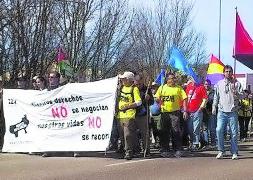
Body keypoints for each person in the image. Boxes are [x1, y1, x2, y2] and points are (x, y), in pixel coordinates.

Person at [212, 65, 243, 160]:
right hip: (222, 111)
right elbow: (216, 96)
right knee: (219, 130)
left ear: (232, 73)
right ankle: (221, 150)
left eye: (230, 71)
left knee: (233, 132)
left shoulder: (236, 83)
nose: (228, 73)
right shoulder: (219, 84)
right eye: (226, 71)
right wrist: (214, 106)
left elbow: (243, 96)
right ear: (223, 73)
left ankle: (234, 152)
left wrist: (237, 94)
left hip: (232, 111)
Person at [155, 73, 188, 158]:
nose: (172, 80)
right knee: (164, 131)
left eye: (174, 78)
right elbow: (156, 98)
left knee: (175, 131)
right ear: (167, 79)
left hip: (175, 113)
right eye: (170, 78)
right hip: (164, 113)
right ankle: (165, 149)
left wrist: (185, 110)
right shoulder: (162, 88)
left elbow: (184, 99)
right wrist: (158, 100)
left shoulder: (178, 88)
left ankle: (177, 149)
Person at [116, 71, 142, 160]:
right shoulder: (121, 88)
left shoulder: (134, 89)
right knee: (122, 135)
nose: (122, 80)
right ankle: (126, 149)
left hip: (129, 115)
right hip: (120, 115)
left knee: (128, 135)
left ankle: (129, 152)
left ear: (129, 80)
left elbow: (139, 102)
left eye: (124, 79)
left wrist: (128, 106)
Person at [134, 74, 154, 157]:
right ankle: (136, 149)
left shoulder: (147, 89)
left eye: (139, 82)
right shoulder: (132, 89)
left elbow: (152, 102)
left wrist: (149, 98)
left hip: (143, 115)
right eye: (136, 82)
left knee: (145, 133)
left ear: (142, 81)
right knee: (133, 134)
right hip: (133, 114)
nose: (137, 84)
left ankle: (147, 150)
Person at [186, 77, 207, 150]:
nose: (193, 79)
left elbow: (205, 99)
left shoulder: (201, 87)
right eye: (192, 78)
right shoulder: (188, 87)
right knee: (190, 128)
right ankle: (193, 142)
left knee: (196, 128)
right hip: (189, 111)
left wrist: (200, 108)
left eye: (194, 78)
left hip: (197, 111)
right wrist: (185, 110)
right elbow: (185, 98)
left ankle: (195, 144)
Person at [202, 79, 217, 147]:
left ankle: (213, 143)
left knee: (212, 128)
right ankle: (206, 143)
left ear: (210, 85)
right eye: (205, 84)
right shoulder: (202, 91)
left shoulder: (213, 92)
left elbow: (215, 102)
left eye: (208, 84)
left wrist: (207, 99)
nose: (206, 85)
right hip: (203, 112)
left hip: (211, 112)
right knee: (205, 128)